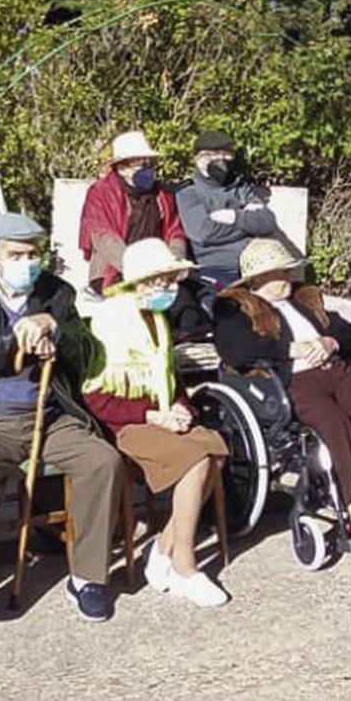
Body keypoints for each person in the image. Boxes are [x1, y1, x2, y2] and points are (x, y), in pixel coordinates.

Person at [0, 212, 125, 622]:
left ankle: (88, 577)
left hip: (48, 415)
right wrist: (12, 337)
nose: (28, 262)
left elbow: (88, 355)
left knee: (102, 462)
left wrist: (58, 331)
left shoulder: (57, 294)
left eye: (33, 253)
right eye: (16, 254)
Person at [213, 239, 351, 550]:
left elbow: (345, 330)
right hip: (292, 380)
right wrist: (287, 349)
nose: (285, 279)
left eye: (286, 271)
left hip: (336, 370)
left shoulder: (305, 298)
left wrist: (330, 342)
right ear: (256, 280)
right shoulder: (237, 309)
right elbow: (235, 351)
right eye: (276, 274)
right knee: (332, 422)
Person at [82, 240, 231, 607]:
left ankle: (164, 548)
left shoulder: (156, 317)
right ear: (141, 282)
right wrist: (151, 416)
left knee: (215, 450)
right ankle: (184, 565)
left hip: (160, 415)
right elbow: (96, 396)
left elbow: (169, 379)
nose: (169, 289)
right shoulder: (110, 321)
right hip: (125, 422)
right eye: (161, 281)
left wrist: (180, 407)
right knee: (195, 462)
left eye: (170, 280)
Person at [77, 130, 190, 293]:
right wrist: (138, 269)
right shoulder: (100, 193)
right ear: (122, 167)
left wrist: (174, 260)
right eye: (141, 165)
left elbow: (174, 231)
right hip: (116, 270)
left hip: (160, 270)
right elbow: (103, 237)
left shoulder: (161, 194)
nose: (148, 170)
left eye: (150, 164)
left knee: (186, 304)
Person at [175, 130, 280, 289]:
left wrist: (235, 217)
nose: (219, 160)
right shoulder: (189, 192)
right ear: (197, 159)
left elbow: (267, 222)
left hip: (257, 265)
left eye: (225, 154)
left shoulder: (240, 187)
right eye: (210, 155)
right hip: (216, 270)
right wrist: (249, 225)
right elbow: (204, 233)